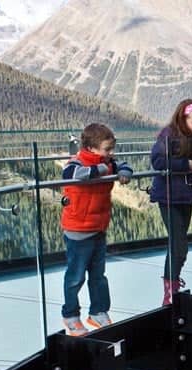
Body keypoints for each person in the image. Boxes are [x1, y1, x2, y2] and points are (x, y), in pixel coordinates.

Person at [61, 123, 133, 336]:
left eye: (112, 149)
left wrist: (124, 171)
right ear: (91, 148)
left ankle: (98, 311)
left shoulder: (109, 161)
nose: (111, 154)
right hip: (78, 230)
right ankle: (71, 315)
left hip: (98, 227)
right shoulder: (77, 162)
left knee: (98, 275)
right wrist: (101, 169)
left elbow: (124, 165)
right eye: (107, 149)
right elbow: (71, 174)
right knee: (75, 277)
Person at [150, 99, 192, 305]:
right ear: (183, 119)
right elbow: (157, 161)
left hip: (186, 196)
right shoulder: (168, 135)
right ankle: (170, 290)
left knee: (180, 243)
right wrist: (186, 164)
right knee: (179, 242)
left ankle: (172, 285)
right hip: (168, 196)